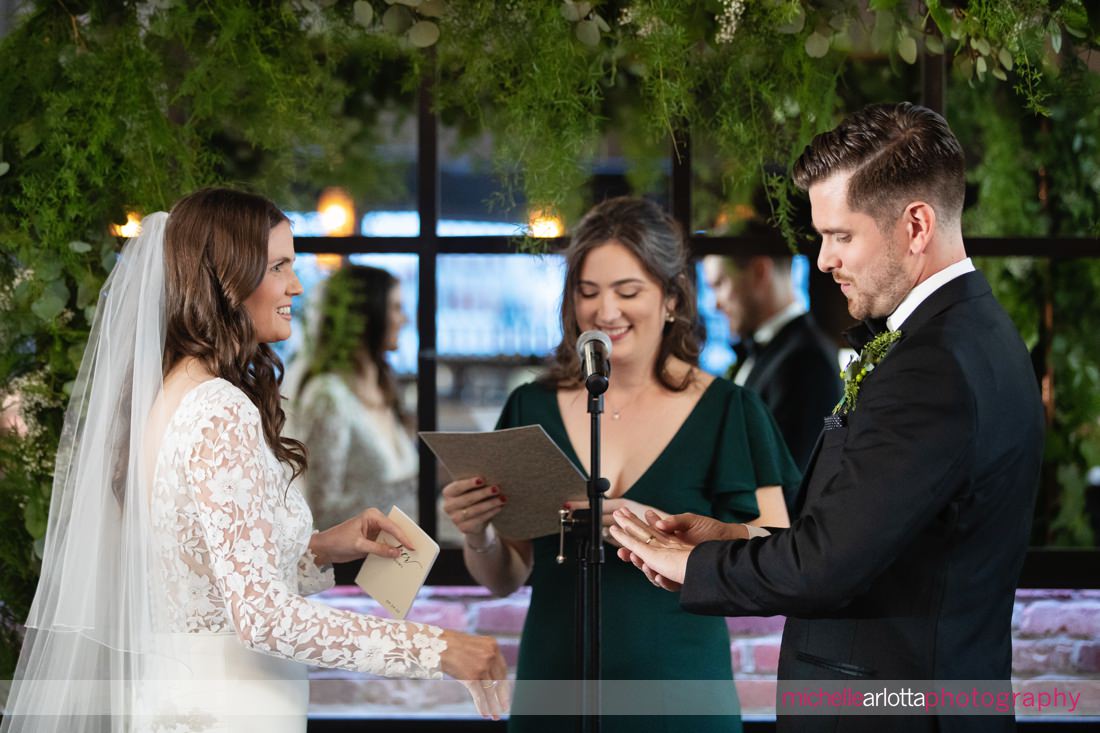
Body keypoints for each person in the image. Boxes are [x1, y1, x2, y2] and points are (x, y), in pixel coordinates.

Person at [1, 188, 507, 733]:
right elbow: (264, 618)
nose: (297, 285)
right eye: (279, 266)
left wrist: (318, 547)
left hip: (180, 695)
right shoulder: (220, 408)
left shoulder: (170, 394)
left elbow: (202, 572)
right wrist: (439, 648)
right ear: (226, 281)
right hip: (231, 708)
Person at [611, 103, 1044, 733]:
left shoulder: (935, 364)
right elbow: (874, 537)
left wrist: (691, 568)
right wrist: (728, 537)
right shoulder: (974, 333)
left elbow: (828, 568)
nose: (823, 260)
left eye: (841, 235)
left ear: (916, 225)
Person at [441, 196, 801, 733]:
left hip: (680, 693)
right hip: (554, 691)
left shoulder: (729, 410)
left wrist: (670, 537)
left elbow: (781, 552)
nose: (605, 313)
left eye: (627, 292)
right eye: (588, 293)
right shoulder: (529, 406)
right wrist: (478, 535)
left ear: (672, 299)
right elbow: (505, 576)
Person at [289, 265, 418, 531]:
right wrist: (415, 488)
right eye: (395, 308)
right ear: (366, 315)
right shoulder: (329, 396)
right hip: (356, 566)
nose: (404, 320)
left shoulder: (385, 388)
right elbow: (321, 510)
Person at [702, 254, 842, 480]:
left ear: (759, 272)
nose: (715, 304)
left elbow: (791, 475)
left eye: (719, 284)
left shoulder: (806, 360)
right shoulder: (770, 350)